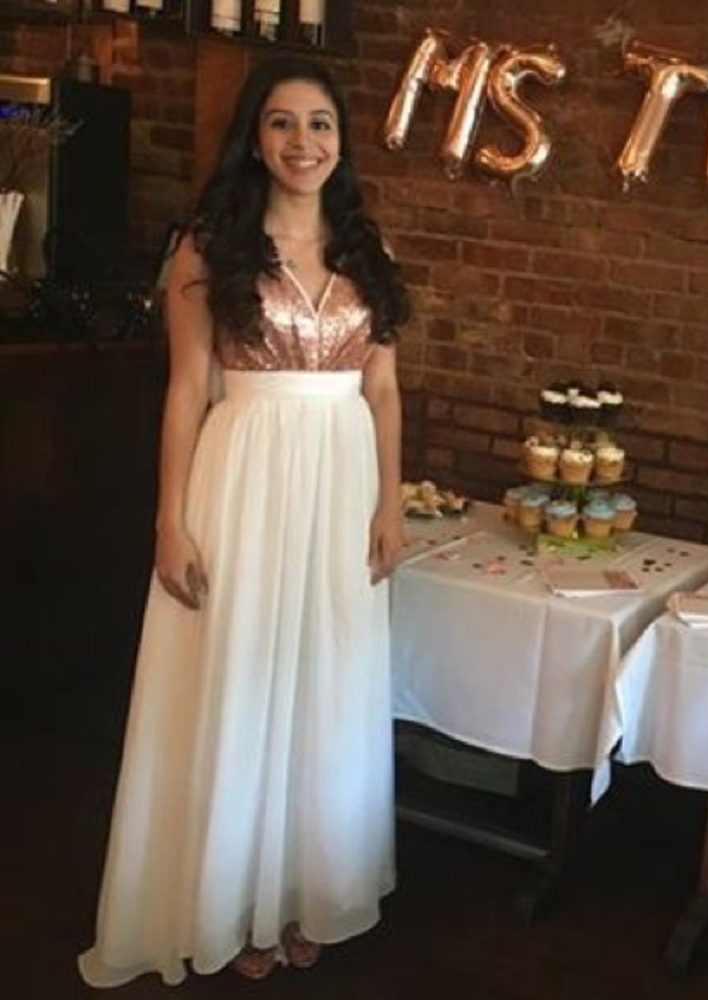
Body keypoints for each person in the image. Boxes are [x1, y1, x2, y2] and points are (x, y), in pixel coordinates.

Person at [78, 54, 410, 987]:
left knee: (322, 677)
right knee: (243, 674)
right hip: (245, 474)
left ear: (340, 145)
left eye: (320, 125)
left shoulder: (364, 249)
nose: (301, 142)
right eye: (281, 123)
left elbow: (383, 389)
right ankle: (231, 904)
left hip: (341, 478)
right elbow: (186, 393)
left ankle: (302, 888)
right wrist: (169, 523)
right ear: (254, 139)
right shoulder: (206, 246)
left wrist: (390, 501)